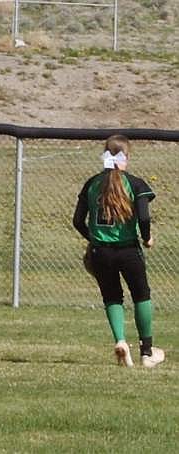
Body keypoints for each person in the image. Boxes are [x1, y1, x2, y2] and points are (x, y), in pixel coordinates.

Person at [73, 134, 164, 368]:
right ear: (127, 157)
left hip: (100, 252)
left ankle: (121, 341)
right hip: (127, 250)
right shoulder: (135, 184)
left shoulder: (92, 183)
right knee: (141, 295)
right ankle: (146, 352)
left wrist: (93, 238)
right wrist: (147, 238)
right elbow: (144, 216)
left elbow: (77, 221)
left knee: (112, 297)